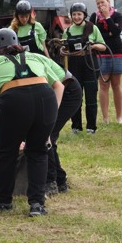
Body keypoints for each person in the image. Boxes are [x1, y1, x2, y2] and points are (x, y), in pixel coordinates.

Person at [0, 28, 64, 217]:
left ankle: (2, 200)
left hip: (14, 99)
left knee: (7, 152)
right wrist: (49, 122)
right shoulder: (36, 57)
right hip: (46, 98)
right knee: (38, 151)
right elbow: (59, 85)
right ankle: (37, 204)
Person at [61, 2, 106, 134]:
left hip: (90, 64)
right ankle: (76, 126)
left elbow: (103, 46)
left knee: (91, 96)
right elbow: (64, 47)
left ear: (84, 15)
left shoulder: (93, 28)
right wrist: (63, 50)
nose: (76, 17)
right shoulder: (67, 31)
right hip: (74, 64)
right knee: (76, 96)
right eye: (74, 14)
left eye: (79, 14)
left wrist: (93, 45)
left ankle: (91, 127)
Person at [45, 61, 82, 195]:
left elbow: (59, 86)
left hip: (67, 90)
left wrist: (51, 114)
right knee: (46, 135)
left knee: (47, 135)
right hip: (52, 90)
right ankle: (60, 180)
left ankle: (52, 182)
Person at [89, 0, 122, 124]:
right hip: (101, 53)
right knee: (103, 85)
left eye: (102, 2)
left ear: (108, 2)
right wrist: (107, 33)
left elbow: (116, 32)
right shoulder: (94, 17)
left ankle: (119, 117)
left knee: (116, 84)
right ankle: (105, 118)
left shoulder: (117, 16)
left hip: (117, 52)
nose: (100, 6)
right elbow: (92, 34)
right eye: (98, 3)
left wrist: (107, 17)